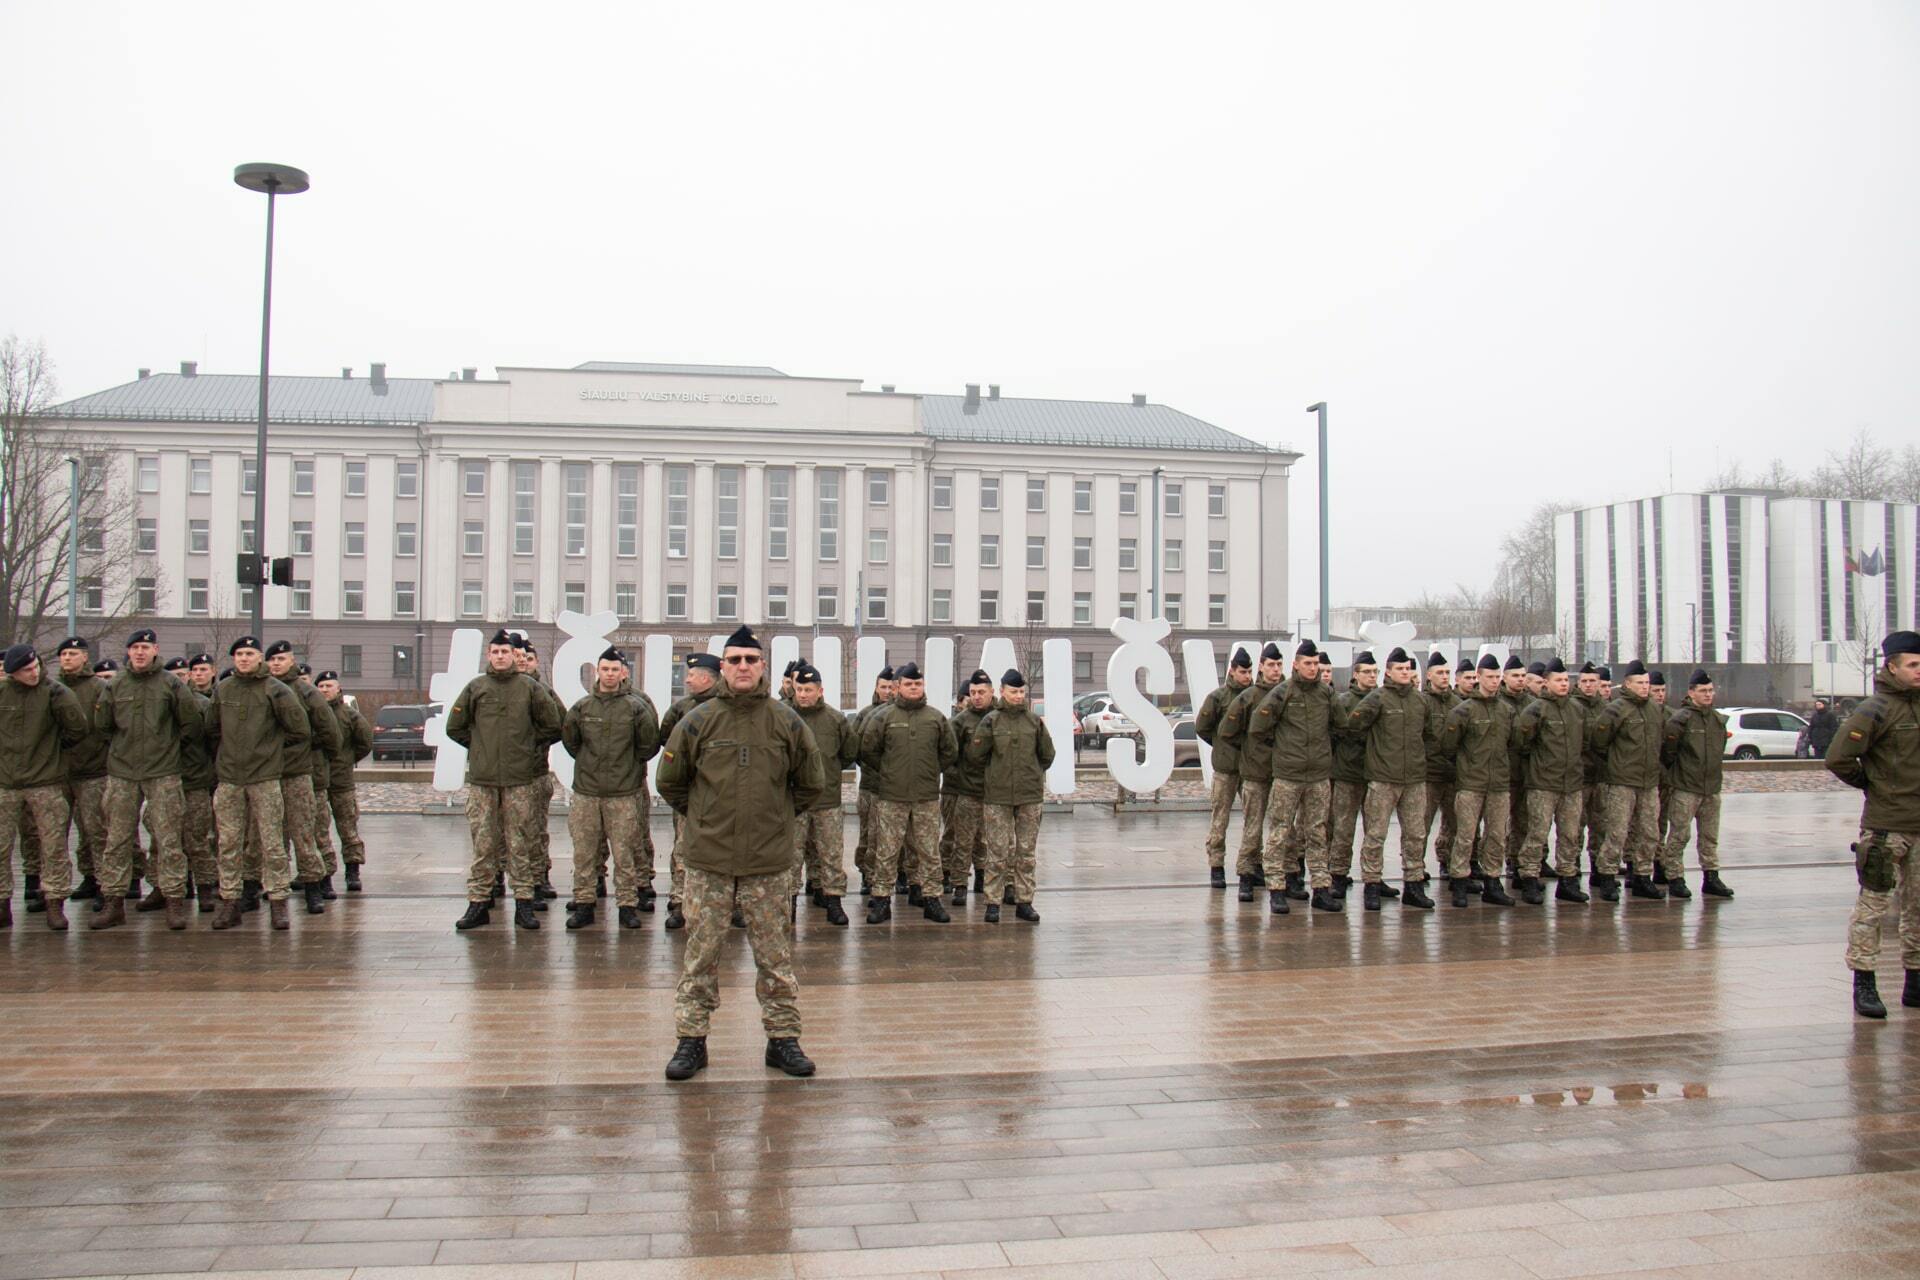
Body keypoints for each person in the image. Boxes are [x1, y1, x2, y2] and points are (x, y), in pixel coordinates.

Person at [657, 625, 825, 1080]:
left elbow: (810, 783)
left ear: (763, 666)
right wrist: (705, 818)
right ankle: (691, 1041)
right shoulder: (697, 720)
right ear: (723, 667)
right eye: (734, 661)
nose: (743, 668)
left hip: (768, 864)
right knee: (701, 955)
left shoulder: (786, 721)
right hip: (709, 861)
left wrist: (775, 819)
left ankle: (783, 1040)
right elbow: (669, 783)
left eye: (751, 660)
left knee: (775, 957)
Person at [1826, 631, 1920, 1018]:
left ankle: (1914, 983)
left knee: (1917, 908)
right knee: (1873, 907)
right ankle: (1864, 982)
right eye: (1913, 665)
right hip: (1885, 827)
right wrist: (1873, 785)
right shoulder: (1875, 710)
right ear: (1892, 667)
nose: (1919, 672)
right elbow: (1838, 758)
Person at [446, 629, 566, 931]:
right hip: (484, 781)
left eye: (505, 652)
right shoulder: (476, 688)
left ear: (515, 655)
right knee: (484, 845)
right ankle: (478, 903)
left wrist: (528, 747)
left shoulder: (530, 688)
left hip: (520, 781)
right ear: (489, 655)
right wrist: (479, 747)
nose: (500, 657)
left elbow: (553, 725)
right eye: (495, 652)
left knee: (520, 843)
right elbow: (455, 727)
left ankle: (524, 904)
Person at [91, 628, 200, 930]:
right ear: (128, 652)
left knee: (168, 840)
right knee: (116, 839)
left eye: (145, 647)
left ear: (156, 650)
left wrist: (167, 748)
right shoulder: (115, 686)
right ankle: (113, 902)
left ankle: (174, 900)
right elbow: (103, 727)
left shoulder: (171, 684)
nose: (140, 652)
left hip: (162, 772)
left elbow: (190, 724)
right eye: (135, 647)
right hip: (123, 773)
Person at [203, 636, 311, 930]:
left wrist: (269, 751)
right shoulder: (223, 689)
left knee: (272, 842)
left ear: (260, 657)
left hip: (264, 779)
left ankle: (278, 902)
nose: (244, 658)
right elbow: (211, 729)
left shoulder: (275, 690)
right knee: (228, 843)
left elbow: (299, 729)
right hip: (230, 779)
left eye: (249, 653)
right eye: (239, 654)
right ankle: (230, 901)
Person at [561, 646, 660, 930]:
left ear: (622, 673)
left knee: (624, 851)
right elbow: (571, 741)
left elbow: (648, 744)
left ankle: (627, 905)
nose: (609, 674)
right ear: (597, 671)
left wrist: (627, 767)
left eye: (615, 669)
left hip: (623, 793)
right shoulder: (582, 707)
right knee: (585, 852)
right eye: (605, 669)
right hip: (587, 792)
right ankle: (584, 904)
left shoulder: (635, 707)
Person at [859, 661, 959, 923]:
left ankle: (932, 898)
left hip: (926, 797)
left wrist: (931, 770)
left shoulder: (935, 717)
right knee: (887, 850)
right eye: (908, 684)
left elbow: (949, 751)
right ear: (897, 687)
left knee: (928, 850)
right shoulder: (884, 717)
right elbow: (869, 750)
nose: (914, 688)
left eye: (918, 684)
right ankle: (881, 900)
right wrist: (889, 772)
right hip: (892, 797)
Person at [0, 645, 89, 931]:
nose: (33, 672)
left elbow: (78, 729)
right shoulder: (3, 692)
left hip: (46, 782)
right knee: (1, 847)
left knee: (53, 846)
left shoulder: (55, 692)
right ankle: (2, 904)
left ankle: (54, 902)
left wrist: (52, 753)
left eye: (36, 666)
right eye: (26, 670)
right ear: (12, 673)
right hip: (6, 782)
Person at [1344, 647, 1438, 911]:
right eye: (1399, 668)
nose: (1405, 672)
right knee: (1376, 834)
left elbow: (1430, 735)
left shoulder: (1420, 701)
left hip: (1415, 780)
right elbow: (1354, 726)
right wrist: (1376, 753)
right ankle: (1372, 884)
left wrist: (1420, 759)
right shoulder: (1378, 698)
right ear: (1388, 671)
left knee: (1415, 834)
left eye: (1408, 669)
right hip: (1383, 778)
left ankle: (1414, 884)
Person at [1248, 639, 1338, 914]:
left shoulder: (1326, 694)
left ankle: (1321, 888)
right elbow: (1258, 727)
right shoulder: (1283, 692)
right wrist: (1282, 750)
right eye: (1308, 664)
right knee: (1280, 831)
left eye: (1316, 664)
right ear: (1296, 664)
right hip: (1288, 775)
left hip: (1318, 776)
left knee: (1317, 833)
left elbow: (1340, 725)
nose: (1313, 669)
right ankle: (1277, 887)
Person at [966, 668, 1054, 923]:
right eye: (1013, 691)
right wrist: (997, 775)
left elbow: (1047, 754)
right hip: (998, 798)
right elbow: (976, 756)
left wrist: (1033, 773)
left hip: (1029, 796)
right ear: (1002, 691)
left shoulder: (1033, 722)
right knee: (997, 851)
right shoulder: (991, 721)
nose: (1018, 696)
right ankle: (993, 902)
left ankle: (1024, 901)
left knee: (1026, 852)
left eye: (1021, 692)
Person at [262, 641, 338, 913]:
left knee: (305, 834)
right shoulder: (261, 689)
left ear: (292, 661)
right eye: (272, 659)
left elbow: (329, 731)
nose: (276, 664)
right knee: (272, 838)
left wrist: (307, 752)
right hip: (266, 775)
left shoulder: (306, 691)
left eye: (281, 659)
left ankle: (313, 887)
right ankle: (275, 888)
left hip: (296, 773)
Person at [1437, 653, 1516, 907]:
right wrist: (1466, 768)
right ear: (1478, 678)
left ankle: (1493, 881)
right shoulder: (1463, 711)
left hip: (1499, 785)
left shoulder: (1506, 710)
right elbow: (1448, 746)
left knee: (1496, 835)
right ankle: (1460, 880)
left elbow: (1514, 744)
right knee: (1466, 835)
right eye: (1489, 677)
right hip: (1471, 784)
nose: (1494, 682)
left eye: (1497, 677)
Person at [1588, 659, 1667, 901]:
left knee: (1649, 832)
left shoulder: (1654, 709)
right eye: (1640, 683)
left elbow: (1660, 742)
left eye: (1646, 683)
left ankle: (1643, 876)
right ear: (1627, 684)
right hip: (1622, 781)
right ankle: (1607, 876)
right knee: (1617, 831)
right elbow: (1599, 743)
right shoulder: (1616, 710)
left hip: (1648, 782)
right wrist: (1617, 764)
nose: (1645, 687)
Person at [1511, 657, 1588, 903]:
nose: (1564, 684)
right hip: (1543, 783)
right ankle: (1529, 879)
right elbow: (1522, 743)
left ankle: (1568, 879)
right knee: (1537, 833)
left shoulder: (1576, 709)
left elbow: (1584, 742)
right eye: (1559, 680)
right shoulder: (1535, 710)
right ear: (1546, 682)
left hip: (1572, 783)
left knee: (1570, 835)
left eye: (1566, 680)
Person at [657, 652, 721, 929]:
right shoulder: (681, 710)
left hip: (721, 796)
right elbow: (666, 743)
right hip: (691, 796)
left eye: (692, 675)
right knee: (683, 850)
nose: (687, 679)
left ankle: (731, 904)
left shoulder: (726, 708)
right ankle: (679, 902)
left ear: (706, 677)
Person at [791, 663, 858, 926]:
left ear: (820, 691)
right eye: (799, 689)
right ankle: (790, 902)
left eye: (809, 689)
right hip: (794, 801)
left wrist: (826, 773)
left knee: (830, 854)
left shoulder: (835, 719)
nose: (803, 694)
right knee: (792, 856)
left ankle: (834, 901)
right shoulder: (785, 717)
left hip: (827, 800)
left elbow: (848, 753)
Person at [1218, 642, 1285, 902]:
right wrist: (1248, 750)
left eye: (1279, 665)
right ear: (1261, 667)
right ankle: (1246, 875)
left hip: (1283, 773)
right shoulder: (1249, 697)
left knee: (1281, 830)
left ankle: (1277, 874)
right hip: (1256, 773)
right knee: (1253, 828)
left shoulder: (1287, 693)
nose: (1276, 670)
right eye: (1271, 665)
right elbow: (1226, 732)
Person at [1660, 669, 1734, 900]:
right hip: (1685, 787)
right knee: (1679, 835)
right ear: (1691, 692)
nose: (1708, 695)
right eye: (1703, 691)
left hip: (1711, 788)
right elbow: (1668, 753)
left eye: (1711, 690)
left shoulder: (1717, 720)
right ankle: (1674, 877)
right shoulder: (1681, 719)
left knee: (1710, 837)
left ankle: (1711, 876)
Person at [54, 636, 110, 911]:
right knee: (58, 832)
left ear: (85, 657)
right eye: (63, 653)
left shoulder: (99, 687)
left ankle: (104, 884)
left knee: (96, 829)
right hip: (58, 771)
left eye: (73, 653)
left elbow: (108, 725)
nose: (67, 658)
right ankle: (79, 879)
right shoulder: (52, 688)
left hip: (93, 769)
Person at [159, 657, 218, 914]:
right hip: (165, 778)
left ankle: (206, 887)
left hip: (195, 778)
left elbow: (214, 739)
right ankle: (169, 888)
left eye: (184, 674)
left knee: (198, 838)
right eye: (176, 675)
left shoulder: (202, 705)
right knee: (164, 840)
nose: (182, 678)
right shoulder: (161, 704)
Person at [1194, 648, 1254, 889]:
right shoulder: (1218, 698)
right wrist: (1221, 746)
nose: (1247, 676)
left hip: (1250, 768)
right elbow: (1203, 727)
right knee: (1220, 819)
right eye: (1243, 672)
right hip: (1226, 768)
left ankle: (1252, 864)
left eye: (1249, 672)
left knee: (1254, 819)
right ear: (1232, 671)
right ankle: (1216, 865)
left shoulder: (1256, 696)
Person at [513, 637, 565, 903]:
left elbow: (559, 724)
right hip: (503, 774)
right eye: (518, 657)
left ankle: (538, 877)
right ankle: (500, 877)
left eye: (529, 658)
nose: (523, 662)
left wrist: (533, 744)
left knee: (534, 829)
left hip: (534, 772)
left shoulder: (542, 691)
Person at [939, 670, 996, 904]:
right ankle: (956, 882)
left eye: (981, 692)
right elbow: (946, 755)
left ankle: (983, 876)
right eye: (972, 692)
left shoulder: (999, 718)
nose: (976, 697)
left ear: (992, 692)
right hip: (963, 790)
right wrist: (960, 776)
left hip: (993, 791)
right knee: (960, 838)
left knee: (986, 839)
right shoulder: (959, 722)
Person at [1327, 651, 1379, 900]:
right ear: (1355, 674)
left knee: (1375, 831)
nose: (1371, 676)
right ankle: (1337, 874)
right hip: (1348, 773)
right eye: (1367, 672)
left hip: (1376, 774)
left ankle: (1373, 878)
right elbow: (1334, 734)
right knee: (1343, 829)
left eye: (1374, 672)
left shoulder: (1384, 700)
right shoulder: (1344, 701)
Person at [316, 671, 375, 891]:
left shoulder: (350, 715)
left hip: (342, 781)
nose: (324, 690)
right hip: (318, 781)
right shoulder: (311, 715)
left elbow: (365, 742)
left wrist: (348, 759)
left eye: (328, 686)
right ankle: (324, 874)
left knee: (348, 828)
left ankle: (353, 871)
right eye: (320, 686)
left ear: (338, 688)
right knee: (319, 831)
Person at [850, 666, 896, 896]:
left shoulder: (900, 714)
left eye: (891, 687)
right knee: (869, 835)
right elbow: (855, 748)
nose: (887, 691)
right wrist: (873, 768)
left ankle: (897, 875)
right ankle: (868, 875)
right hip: (871, 787)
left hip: (895, 789)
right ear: (876, 688)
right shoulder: (866, 714)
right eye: (883, 687)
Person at [1419, 652, 1460, 886]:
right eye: (1440, 673)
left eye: (1447, 673)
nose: (1444, 677)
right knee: (1421, 825)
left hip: (1453, 774)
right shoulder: (1422, 702)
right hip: (1428, 774)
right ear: (1429, 675)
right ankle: (1416, 866)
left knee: (1453, 823)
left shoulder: (1458, 704)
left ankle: (1447, 862)